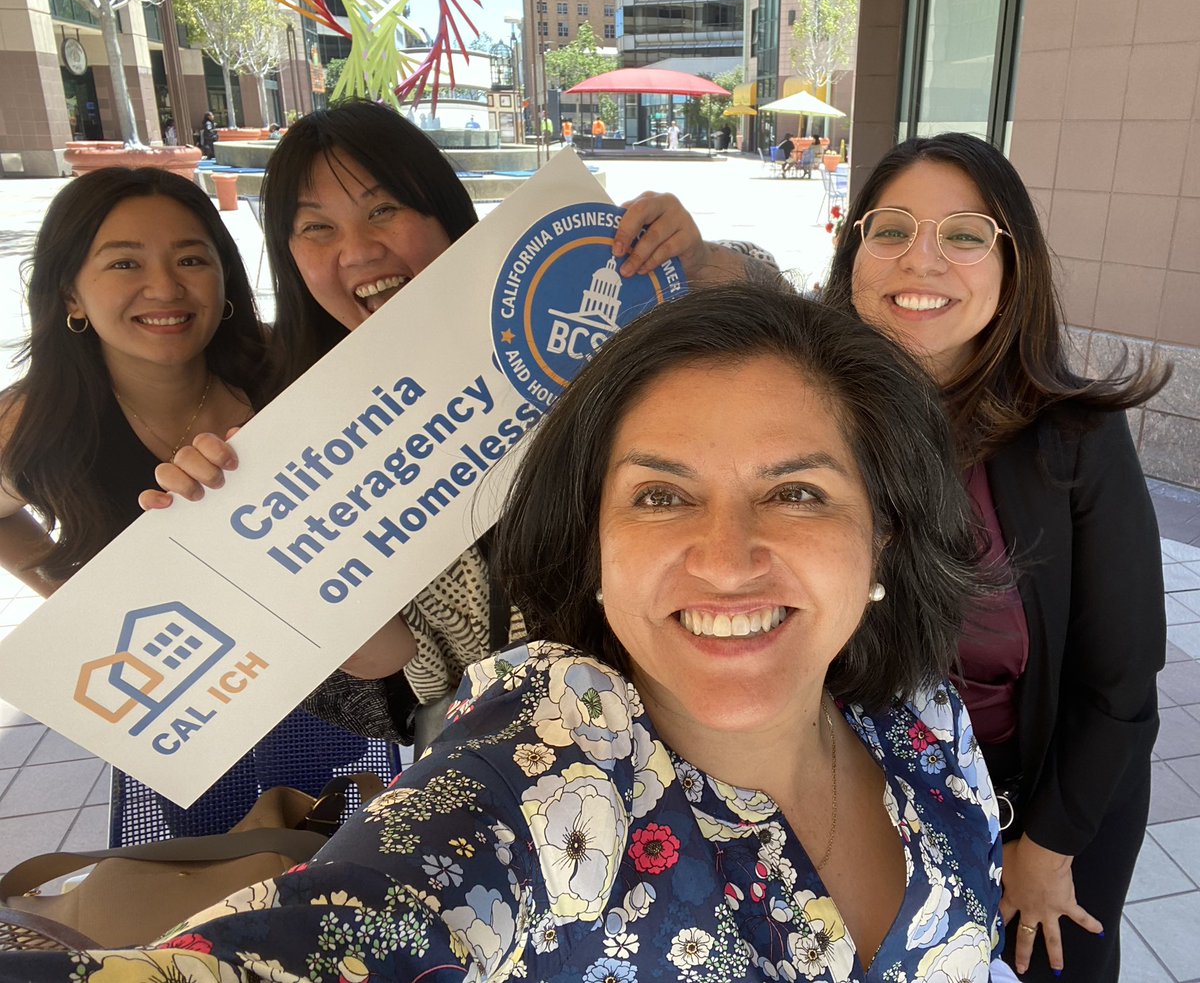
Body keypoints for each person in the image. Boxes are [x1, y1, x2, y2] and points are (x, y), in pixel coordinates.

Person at [0, 284, 1004, 980]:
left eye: (797, 491)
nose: (727, 555)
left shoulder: (923, 722)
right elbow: (337, 930)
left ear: (882, 533)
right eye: (660, 495)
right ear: (594, 546)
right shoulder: (543, 761)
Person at [142, 98, 779, 748]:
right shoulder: (308, 435)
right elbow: (392, 657)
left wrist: (695, 264)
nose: (358, 250)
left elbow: (767, 364)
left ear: (445, 216)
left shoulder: (559, 320)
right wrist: (240, 537)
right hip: (500, 749)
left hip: (678, 699)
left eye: (382, 210)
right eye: (316, 228)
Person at [822, 132, 1169, 982]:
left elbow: (1121, 683)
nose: (922, 259)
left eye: (965, 234)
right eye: (892, 228)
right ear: (853, 253)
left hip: (1041, 816)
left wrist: (1045, 850)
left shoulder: (1074, 437)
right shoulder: (809, 415)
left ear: (1013, 265)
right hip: (854, 806)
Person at [0, 168, 267, 598]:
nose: (165, 289)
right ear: (71, 296)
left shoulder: (293, 368)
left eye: (190, 260)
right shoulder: (35, 417)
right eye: (125, 264)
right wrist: (67, 596)